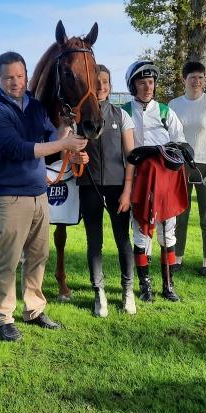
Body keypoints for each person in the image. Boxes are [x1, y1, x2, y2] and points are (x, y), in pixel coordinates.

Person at [0, 51, 88, 342]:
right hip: (9, 197)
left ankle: (35, 309)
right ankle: (4, 317)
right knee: (7, 260)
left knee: (39, 256)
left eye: (19, 76)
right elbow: (19, 149)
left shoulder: (35, 106)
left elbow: (50, 136)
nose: (15, 82)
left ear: (27, 75)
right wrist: (63, 143)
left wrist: (68, 131)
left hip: (40, 194)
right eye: (8, 77)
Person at [122, 59, 188, 303]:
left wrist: (181, 149)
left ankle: (168, 285)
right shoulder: (125, 112)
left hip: (165, 182)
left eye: (150, 82)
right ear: (133, 85)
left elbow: (179, 141)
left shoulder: (164, 111)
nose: (147, 87)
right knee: (141, 232)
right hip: (139, 181)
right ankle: (145, 285)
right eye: (142, 82)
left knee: (167, 232)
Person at [77, 64, 136, 317]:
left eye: (105, 82)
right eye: (96, 82)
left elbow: (131, 156)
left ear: (110, 85)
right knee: (95, 242)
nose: (101, 87)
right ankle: (99, 292)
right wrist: (75, 157)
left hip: (117, 187)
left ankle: (128, 290)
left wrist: (127, 191)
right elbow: (67, 149)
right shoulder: (77, 117)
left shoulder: (121, 115)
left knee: (123, 240)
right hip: (88, 185)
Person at [169, 61, 206, 277]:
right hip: (181, 166)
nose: (197, 81)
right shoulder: (174, 105)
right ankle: (177, 258)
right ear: (184, 79)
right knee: (180, 215)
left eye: (201, 77)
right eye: (193, 77)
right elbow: (170, 138)